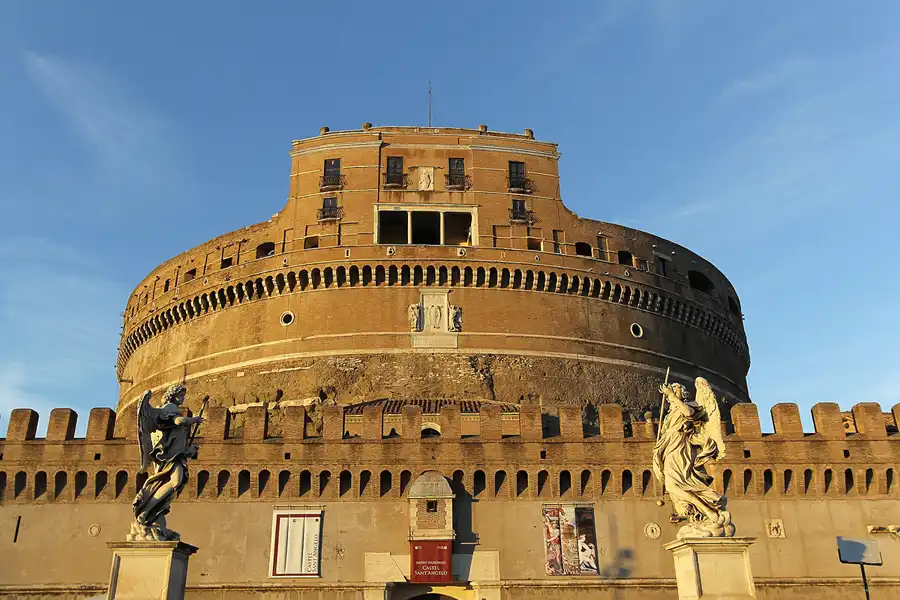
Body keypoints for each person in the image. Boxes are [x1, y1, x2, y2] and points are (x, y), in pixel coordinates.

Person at [129, 384, 204, 541]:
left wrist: (189, 450)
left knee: (175, 483)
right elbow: (176, 421)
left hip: (175, 454)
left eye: (183, 395)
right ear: (172, 395)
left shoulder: (173, 408)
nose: (182, 398)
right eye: (180, 395)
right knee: (175, 481)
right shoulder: (169, 408)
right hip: (167, 455)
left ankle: (151, 514)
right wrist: (192, 420)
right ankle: (145, 511)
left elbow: (178, 436)